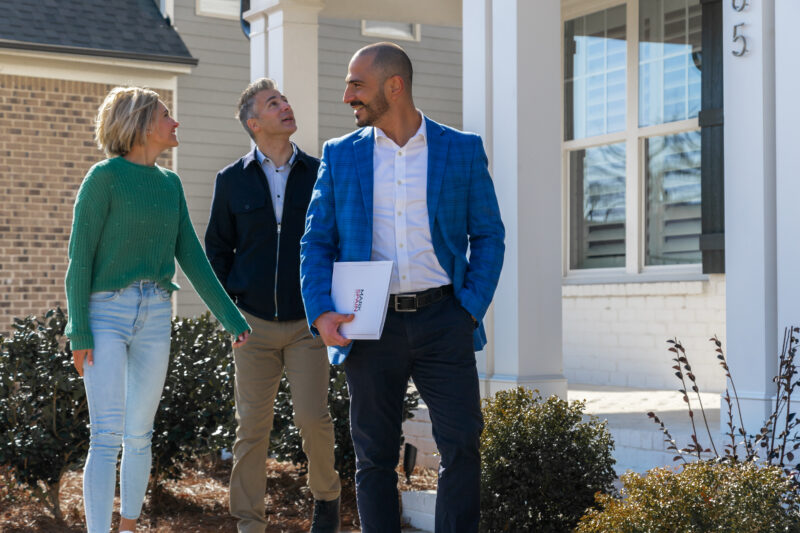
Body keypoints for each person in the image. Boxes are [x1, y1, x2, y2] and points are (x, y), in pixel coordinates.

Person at [300, 43, 505, 533]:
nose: (347, 94)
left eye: (357, 84)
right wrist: (322, 310)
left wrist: (469, 309)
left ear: (395, 86)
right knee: (374, 456)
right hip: (369, 322)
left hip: (444, 320)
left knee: (461, 445)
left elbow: (489, 235)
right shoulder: (340, 155)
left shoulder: (460, 149)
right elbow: (316, 241)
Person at [65, 86, 250, 533]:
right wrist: (80, 332)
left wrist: (230, 316)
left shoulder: (171, 185)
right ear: (143, 124)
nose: (175, 122)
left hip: (155, 315)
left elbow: (191, 256)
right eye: (167, 115)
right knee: (106, 436)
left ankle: (129, 526)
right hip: (104, 314)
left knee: (140, 435)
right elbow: (80, 259)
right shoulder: (103, 178)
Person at [205, 78, 341, 533]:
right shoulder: (230, 180)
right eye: (273, 103)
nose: (285, 106)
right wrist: (231, 314)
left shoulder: (319, 172)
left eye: (284, 99)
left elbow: (334, 243)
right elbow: (217, 252)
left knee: (312, 418)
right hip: (253, 327)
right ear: (254, 122)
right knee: (251, 429)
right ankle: (248, 523)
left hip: (307, 324)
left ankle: (326, 498)